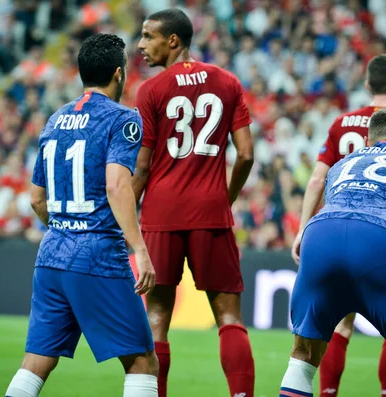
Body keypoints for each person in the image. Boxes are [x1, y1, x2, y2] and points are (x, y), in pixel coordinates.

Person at [4, 34, 158, 397]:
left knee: (37, 359)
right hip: (98, 255)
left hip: (52, 253)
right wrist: (140, 249)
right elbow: (118, 187)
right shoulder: (123, 119)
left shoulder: (55, 119)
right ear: (119, 74)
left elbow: (37, 198)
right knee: (142, 361)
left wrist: (64, 230)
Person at [291, 54, 386, 397]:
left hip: (325, 227)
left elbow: (319, 179)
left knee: (315, 344)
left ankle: (328, 392)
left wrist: (303, 228)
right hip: (382, 238)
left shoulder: (341, 125)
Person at [133, 9, 255, 397]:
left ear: (173, 41)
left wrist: (120, 215)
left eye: (148, 36)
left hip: (161, 214)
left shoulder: (150, 91)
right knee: (229, 317)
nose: (140, 44)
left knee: (156, 317)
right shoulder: (227, 82)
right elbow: (247, 155)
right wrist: (228, 195)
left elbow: (142, 166)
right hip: (210, 212)